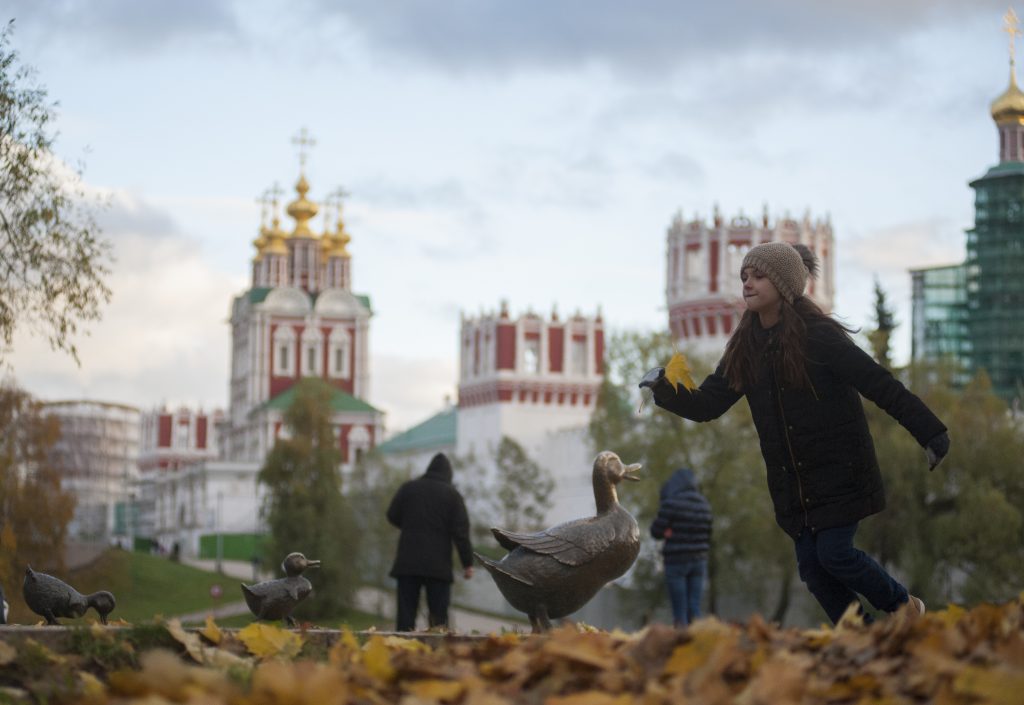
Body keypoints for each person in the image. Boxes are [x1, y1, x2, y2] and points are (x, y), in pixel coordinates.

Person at [640, 241, 950, 625]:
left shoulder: (819, 337)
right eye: (744, 277)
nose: (747, 284)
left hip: (840, 471)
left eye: (758, 276)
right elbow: (708, 404)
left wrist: (931, 433)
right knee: (814, 571)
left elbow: (879, 384)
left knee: (835, 554)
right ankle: (863, 636)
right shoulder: (745, 349)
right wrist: (665, 388)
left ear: (784, 285)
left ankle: (904, 608)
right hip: (793, 483)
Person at [386, 452, 474, 631]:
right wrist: (468, 564)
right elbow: (461, 533)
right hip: (438, 567)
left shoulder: (408, 488)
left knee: (405, 617)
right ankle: (437, 654)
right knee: (439, 621)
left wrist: (410, 525)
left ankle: (401, 652)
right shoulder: (452, 496)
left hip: (408, 563)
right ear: (448, 475)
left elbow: (391, 515)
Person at [650, 467, 713, 627]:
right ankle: (700, 643)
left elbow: (656, 531)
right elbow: (708, 535)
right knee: (694, 607)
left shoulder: (671, 504)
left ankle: (682, 643)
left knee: (680, 610)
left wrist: (668, 532)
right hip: (699, 562)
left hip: (676, 562)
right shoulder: (705, 505)